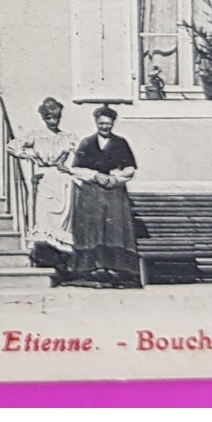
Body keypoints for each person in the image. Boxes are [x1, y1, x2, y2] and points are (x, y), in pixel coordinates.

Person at [65, 105, 140, 288]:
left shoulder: (120, 143)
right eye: (101, 123)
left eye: (108, 124)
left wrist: (116, 179)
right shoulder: (87, 142)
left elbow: (130, 168)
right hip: (91, 193)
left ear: (113, 123)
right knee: (92, 228)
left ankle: (116, 270)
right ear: (96, 123)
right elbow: (75, 168)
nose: (104, 127)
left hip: (114, 193)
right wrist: (95, 175)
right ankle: (91, 269)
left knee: (114, 229)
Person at [5, 96, 78, 268]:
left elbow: (83, 152)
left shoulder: (67, 137)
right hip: (44, 180)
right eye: (49, 117)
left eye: (56, 117)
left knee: (61, 222)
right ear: (44, 118)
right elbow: (12, 146)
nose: (53, 121)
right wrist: (29, 154)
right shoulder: (36, 136)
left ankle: (61, 261)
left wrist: (70, 169)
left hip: (62, 181)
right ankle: (44, 258)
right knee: (43, 220)